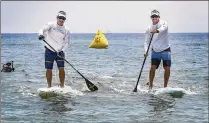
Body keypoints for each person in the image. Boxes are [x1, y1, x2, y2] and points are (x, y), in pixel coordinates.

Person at [38, 11, 70, 88]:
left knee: (61, 68)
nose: (61, 20)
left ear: (65, 19)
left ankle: (62, 86)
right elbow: (42, 29)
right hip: (49, 51)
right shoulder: (51, 25)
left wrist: (62, 50)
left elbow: (67, 42)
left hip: (60, 52)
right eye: (60, 18)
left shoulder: (66, 29)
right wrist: (40, 34)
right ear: (57, 17)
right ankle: (49, 87)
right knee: (49, 69)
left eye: (63, 18)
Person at [144, 10, 171, 90]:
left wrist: (157, 31)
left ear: (159, 17)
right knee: (152, 68)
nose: (154, 18)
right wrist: (145, 51)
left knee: (167, 68)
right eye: (153, 17)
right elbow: (146, 41)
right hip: (155, 50)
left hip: (166, 49)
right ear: (151, 18)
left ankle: (165, 87)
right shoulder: (149, 28)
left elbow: (163, 28)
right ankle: (150, 86)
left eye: (156, 16)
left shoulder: (163, 23)